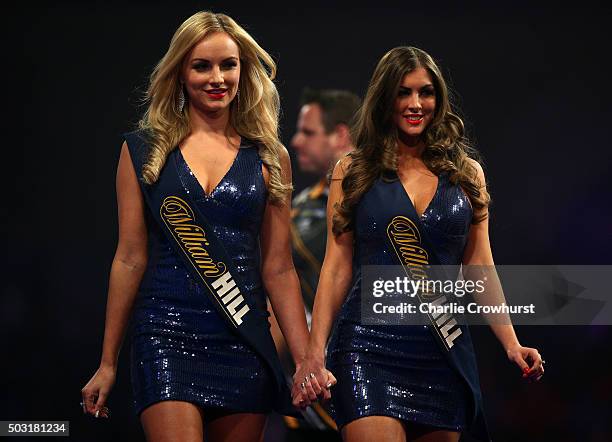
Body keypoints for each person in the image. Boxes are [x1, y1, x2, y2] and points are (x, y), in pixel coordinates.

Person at [80, 11, 333, 441]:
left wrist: (308, 356)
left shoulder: (270, 158)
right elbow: (129, 258)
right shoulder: (143, 151)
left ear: (243, 70)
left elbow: (278, 268)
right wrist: (108, 362)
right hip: (165, 335)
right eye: (202, 66)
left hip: (243, 342)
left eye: (228, 65)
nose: (217, 78)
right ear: (180, 72)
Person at [294, 47, 545, 441]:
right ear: (384, 98)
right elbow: (336, 266)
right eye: (403, 92)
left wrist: (511, 343)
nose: (415, 104)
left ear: (438, 99)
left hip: (441, 350)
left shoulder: (467, 175)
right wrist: (314, 351)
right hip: (366, 349)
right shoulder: (352, 170)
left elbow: (479, 266)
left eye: (425, 93)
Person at [270, 89, 360, 436]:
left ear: (340, 135)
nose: (295, 141)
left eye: (308, 132)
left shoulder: (390, 195)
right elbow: (276, 298)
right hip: (315, 382)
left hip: (377, 359)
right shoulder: (296, 209)